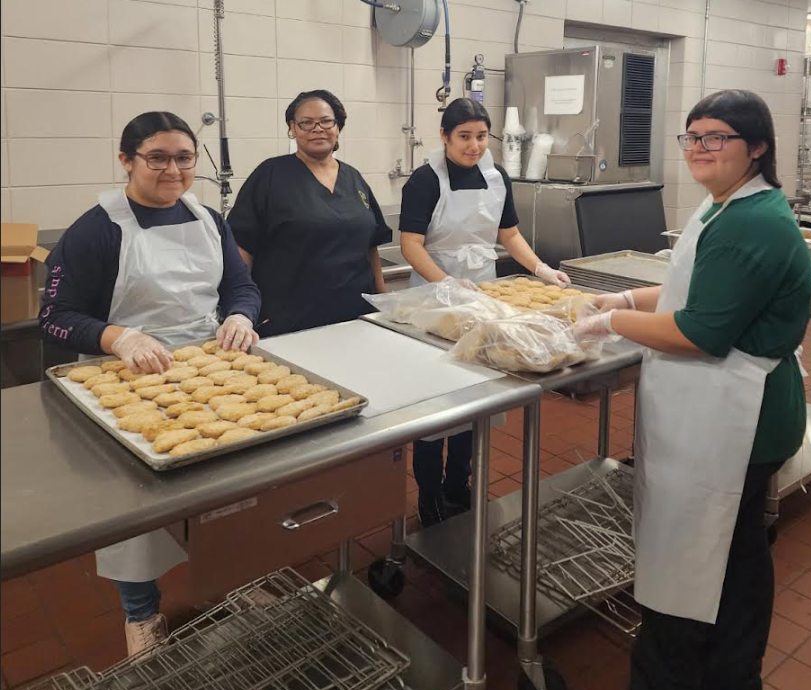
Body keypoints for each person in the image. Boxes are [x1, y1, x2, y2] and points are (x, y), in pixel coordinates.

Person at [573, 90, 811, 690]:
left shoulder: (751, 222)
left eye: (717, 137)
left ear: (756, 146)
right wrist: (625, 302)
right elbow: (689, 288)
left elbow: (700, 332)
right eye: (692, 137)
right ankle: (731, 685)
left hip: (732, 424)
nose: (700, 148)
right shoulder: (728, 207)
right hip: (736, 415)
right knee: (736, 560)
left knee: (684, 562)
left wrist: (610, 328)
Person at [40, 111, 262, 656]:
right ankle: (141, 614)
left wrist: (240, 315)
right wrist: (117, 338)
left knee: (229, 490)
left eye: (184, 158)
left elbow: (241, 285)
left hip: (211, 372)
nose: (172, 169)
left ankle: (236, 577)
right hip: (128, 377)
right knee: (138, 507)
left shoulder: (211, 219)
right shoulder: (95, 229)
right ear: (126, 160)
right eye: (156, 157)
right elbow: (54, 314)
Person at [399, 98, 570, 527]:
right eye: (463, 137)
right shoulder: (423, 181)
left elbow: (509, 234)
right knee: (435, 400)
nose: (473, 146)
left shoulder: (496, 178)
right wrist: (445, 283)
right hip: (437, 300)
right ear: (444, 136)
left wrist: (541, 268)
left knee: (474, 395)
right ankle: (430, 494)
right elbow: (411, 245)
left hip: (484, 293)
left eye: (480, 136)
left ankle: (460, 482)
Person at [227, 89, 391, 337]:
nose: (317, 128)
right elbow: (241, 249)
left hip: (357, 319)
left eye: (326, 121)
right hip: (290, 320)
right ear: (292, 128)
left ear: (338, 126)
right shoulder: (270, 176)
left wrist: (383, 305)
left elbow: (371, 248)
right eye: (306, 122)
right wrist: (240, 312)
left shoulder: (353, 178)